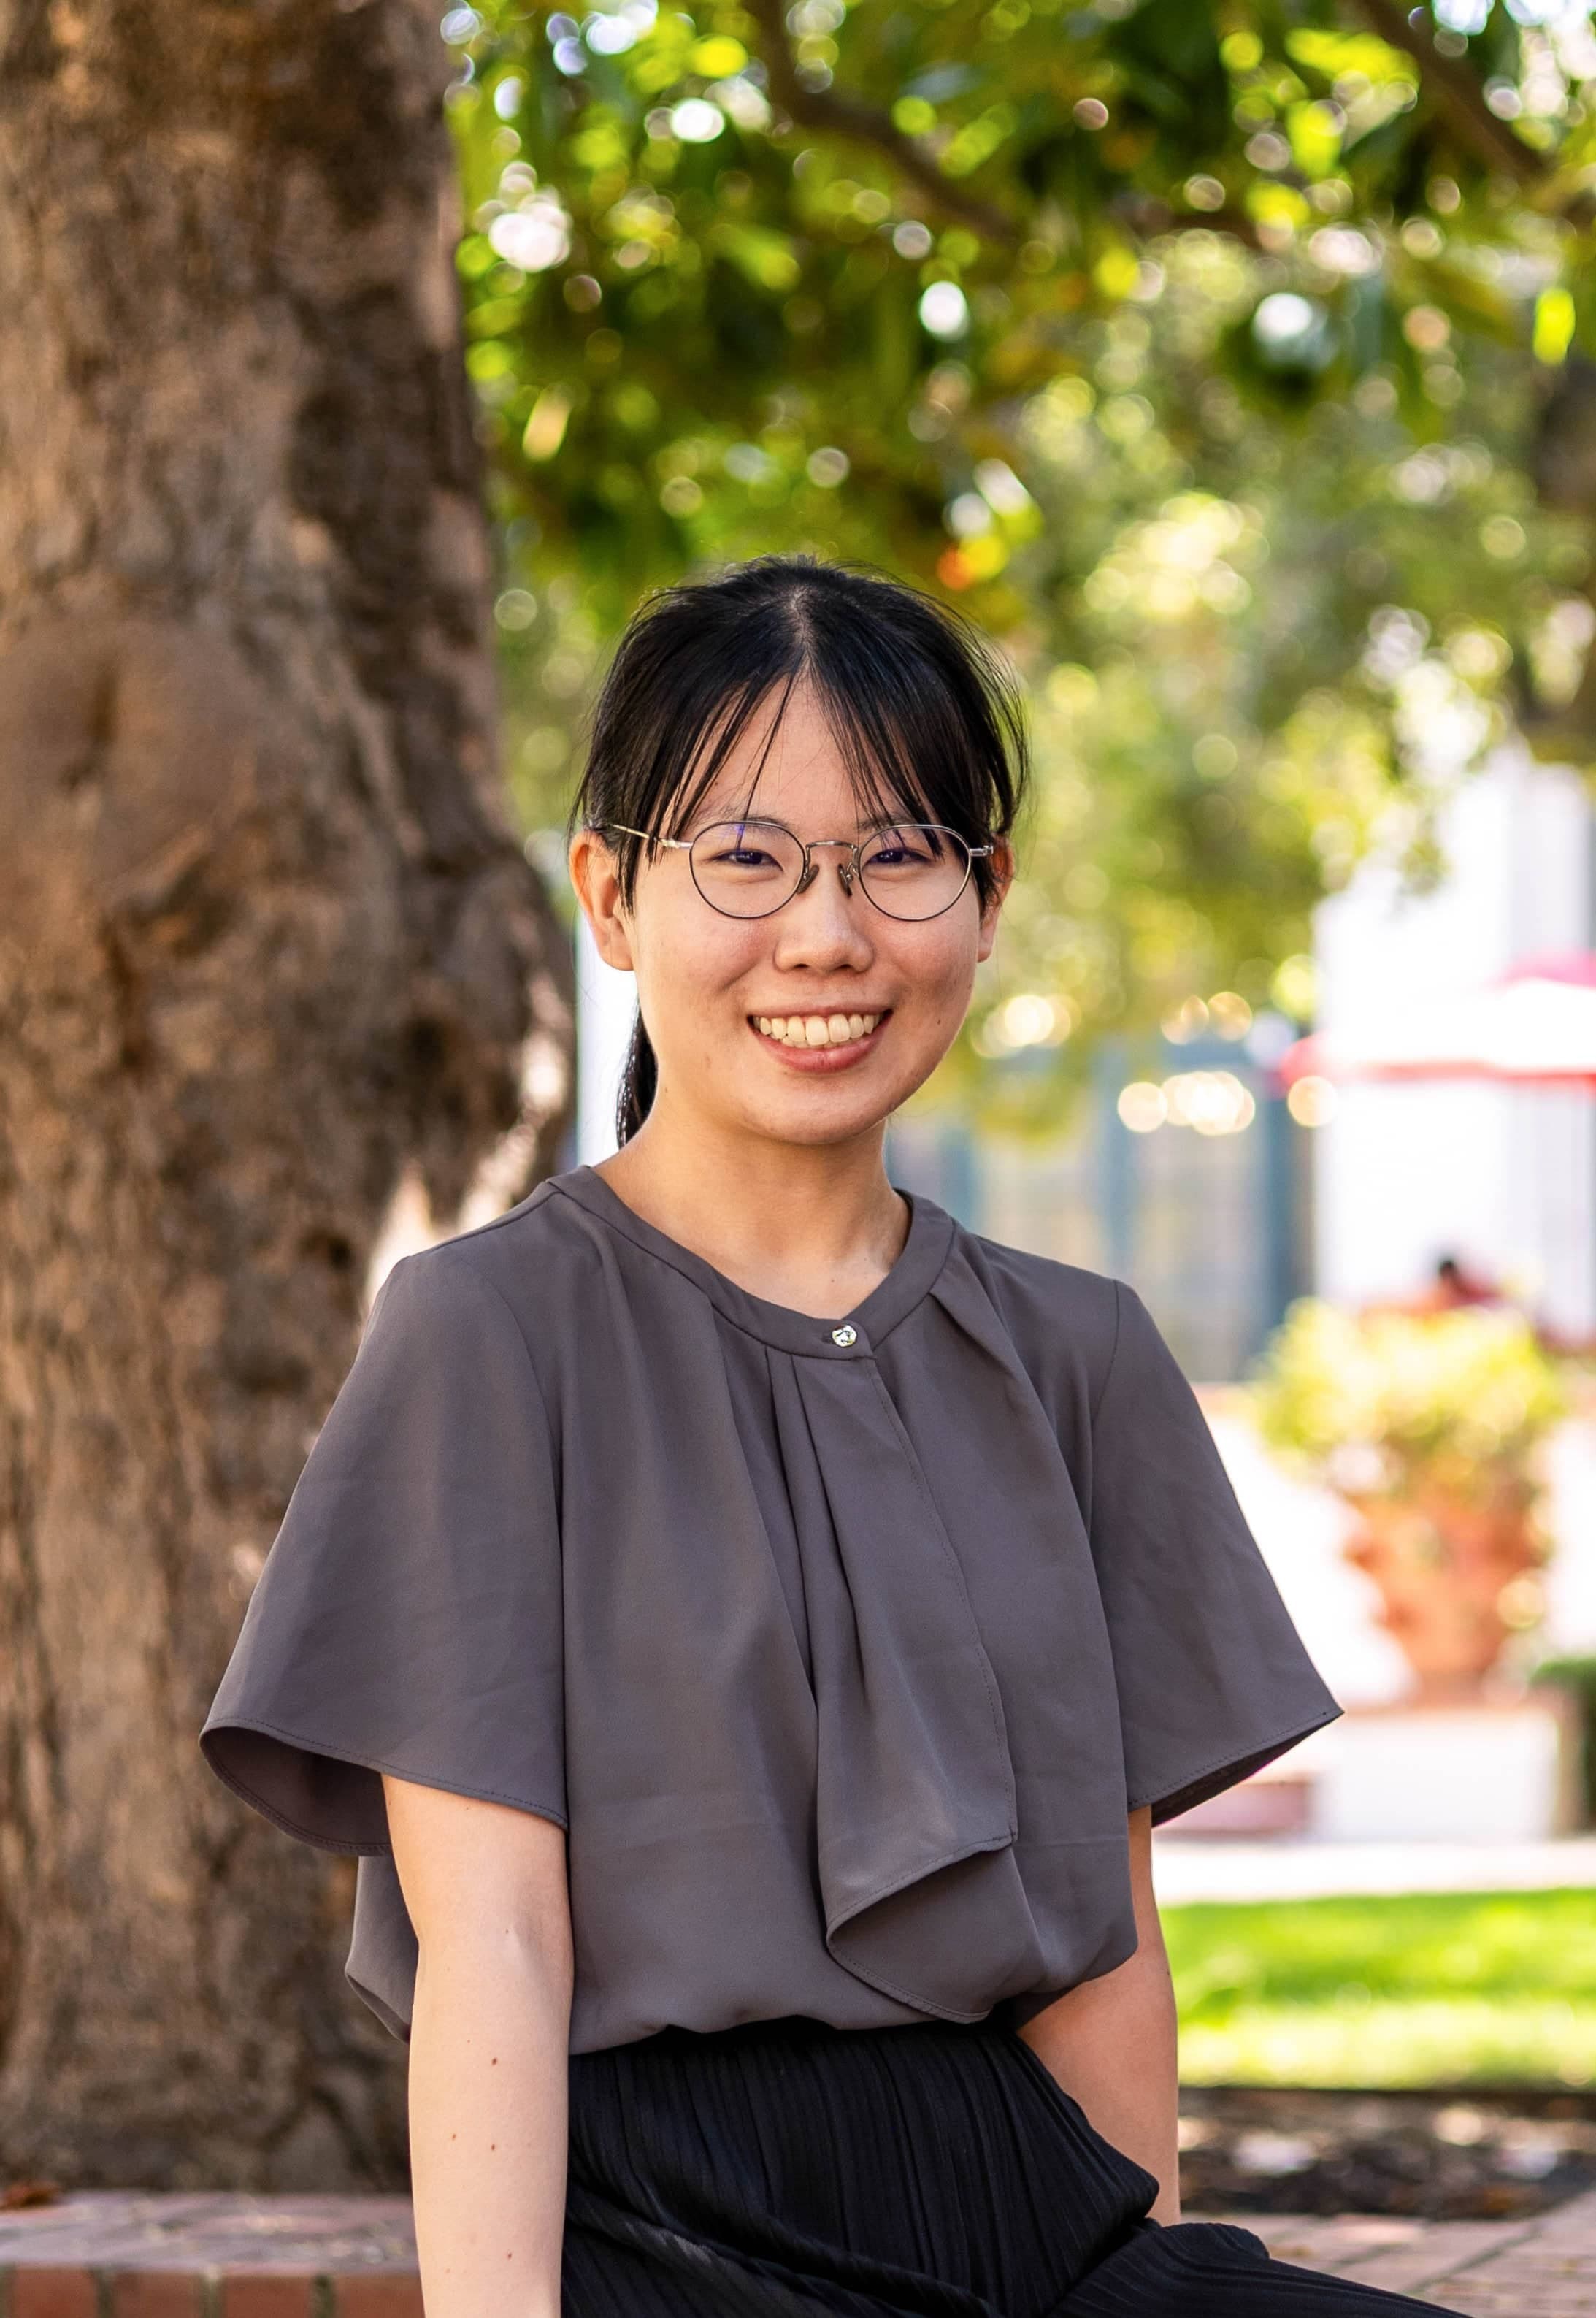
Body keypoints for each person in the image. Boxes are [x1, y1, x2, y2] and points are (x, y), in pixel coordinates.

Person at [200, 556, 1464, 2317]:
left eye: (896, 854)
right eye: (743, 855)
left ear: (985, 894)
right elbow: (491, 1947)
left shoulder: (1079, 1354)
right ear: (612, 896)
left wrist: (1146, 2280)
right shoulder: (490, 1334)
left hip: (1036, 2221)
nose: (826, 932)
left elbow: (1101, 1947)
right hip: (670, 2236)